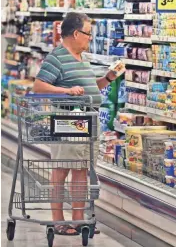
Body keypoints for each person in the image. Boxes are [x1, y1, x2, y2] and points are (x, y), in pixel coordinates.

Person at [33, 12, 118, 235]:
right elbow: (39, 87)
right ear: (76, 33)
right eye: (88, 34)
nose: (90, 38)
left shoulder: (84, 58)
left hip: (88, 119)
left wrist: (108, 78)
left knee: (81, 170)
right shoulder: (57, 57)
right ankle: (58, 220)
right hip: (67, 119)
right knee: (61, 169)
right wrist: (66, 90)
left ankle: (78, 220)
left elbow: (89, 89)